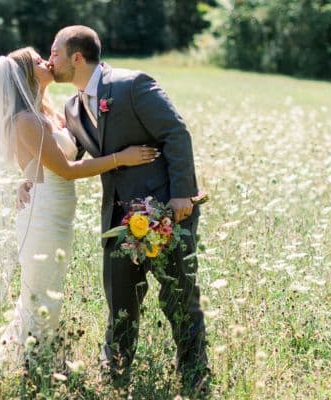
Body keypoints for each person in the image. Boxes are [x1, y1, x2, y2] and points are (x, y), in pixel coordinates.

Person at [0, 46, 158, 393]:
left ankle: (39, 360)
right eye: (37, 61)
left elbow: (53, 158)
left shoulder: (46, 111)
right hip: (43, 215)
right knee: (40, 296)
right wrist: (121, 158)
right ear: (25, 75)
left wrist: (28, 177)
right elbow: (65, 169)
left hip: (57, 212)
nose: (47, 62)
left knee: (48, 292)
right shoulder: (25, 119)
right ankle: (29, 366)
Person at [21, 25, 209, 394]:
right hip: (116, 221)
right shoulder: (71, 107)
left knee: (179, 298)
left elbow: (175, 133)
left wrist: (182, 195)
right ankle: (115, 378)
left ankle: (195, 376)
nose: (50, 59)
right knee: (120, 304)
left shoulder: (132, 85)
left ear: (77, 57)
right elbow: (63, 157)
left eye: (55, 53)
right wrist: (27, 177)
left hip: (166, 212)